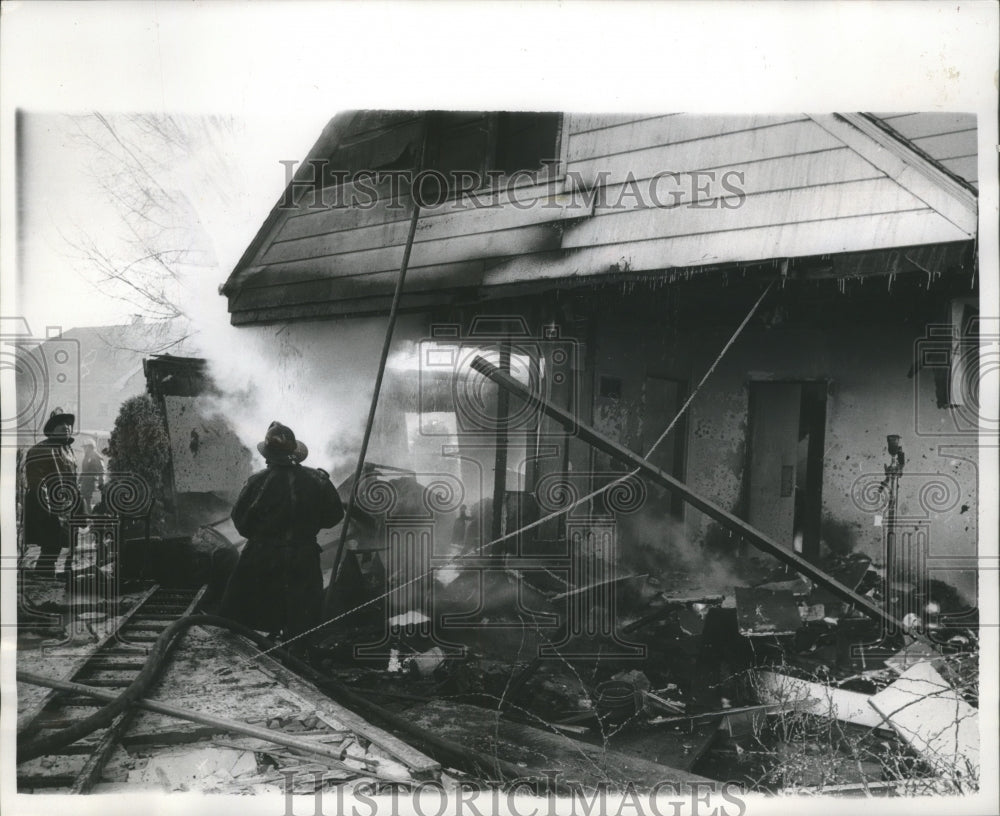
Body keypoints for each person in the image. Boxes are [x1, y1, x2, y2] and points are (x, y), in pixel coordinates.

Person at [220, 421, 344, 655]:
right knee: (302, 615)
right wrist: (306, 530)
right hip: (303, 556)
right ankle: (299, 655)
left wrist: (263, 537)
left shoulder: (257, 482)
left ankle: (258, 653)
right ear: (294, 453)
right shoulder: (319, 481)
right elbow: (334, 516)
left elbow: (241, 521)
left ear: (268, 456)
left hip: (262, 556)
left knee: (251, 613)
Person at [23, 408, 79, 577]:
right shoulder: (41, 449)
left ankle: (46, 570)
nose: (67, 427)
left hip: (65, 503)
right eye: (61, 424)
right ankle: (44, 571)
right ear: (52, 430)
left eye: (69, 424)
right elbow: (36, 480)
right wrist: (46, 505)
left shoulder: (68, 450)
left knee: (60, 541)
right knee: (51, 540)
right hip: (47, 503)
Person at [79, 442, 105, 513]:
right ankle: (86, 517)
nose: (84, 449)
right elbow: (84, 470)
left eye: (85, 447)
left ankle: (90, 518)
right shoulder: (87, 456)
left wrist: (101, 483)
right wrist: (79, 480)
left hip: (90, 481)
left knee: (87, 501)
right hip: (85, 482)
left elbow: (101, 470)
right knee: (83, 500)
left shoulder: (96, 456)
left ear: (90, 447)